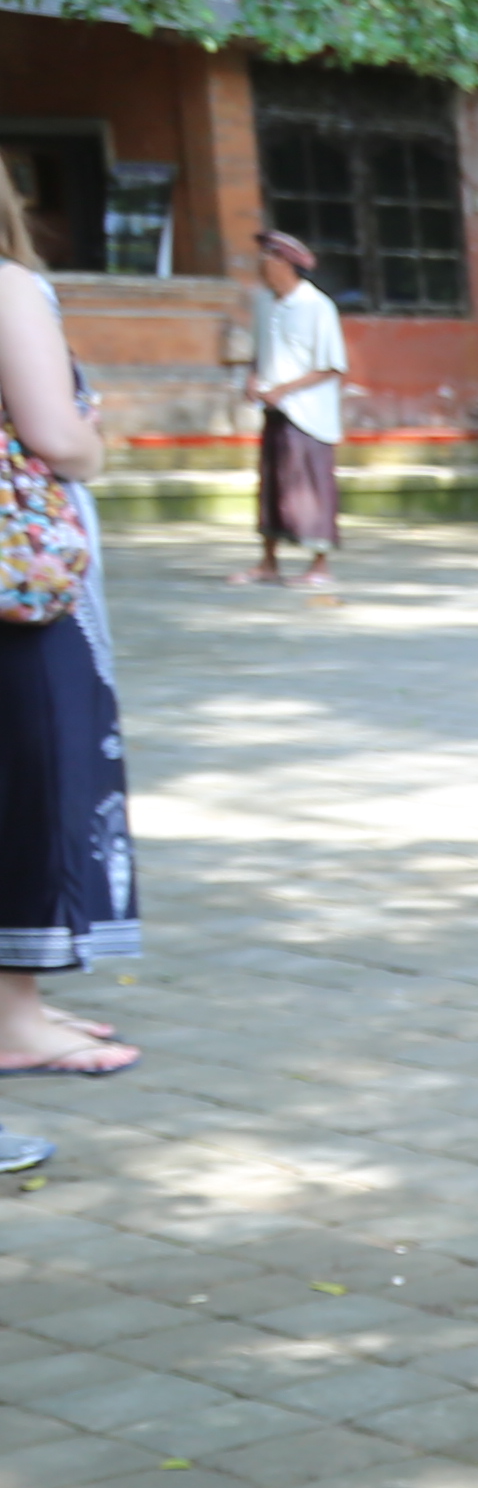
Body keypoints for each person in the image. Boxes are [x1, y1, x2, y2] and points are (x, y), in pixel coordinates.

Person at [0, 202, 139, 1115]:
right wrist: (97, 437)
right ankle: (16, 1019)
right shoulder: (10, 289)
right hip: (19, 584)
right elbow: (56, 437)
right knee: (34, 776)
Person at [238, 230, 345, 600]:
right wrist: (252, 380)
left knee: (312, 487)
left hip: (308, 413)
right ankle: (268, 562)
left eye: (267, 258)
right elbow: (259, 352)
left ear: (284, 263)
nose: (260, 266)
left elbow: (331, 366)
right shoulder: (263, 303)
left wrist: (283, 389)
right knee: (272, 484)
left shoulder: (317, 306)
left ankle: (319, 565)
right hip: (274, 409)